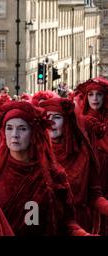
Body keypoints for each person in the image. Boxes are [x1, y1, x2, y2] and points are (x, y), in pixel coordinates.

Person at [0, 101, 89, 236]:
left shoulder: (53, 174)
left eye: (22, 128)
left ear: (34, 133)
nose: (15, 134)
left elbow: (67, 221)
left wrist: (82, 234)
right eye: (9, 128)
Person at [40, 97, 108, 233]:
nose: (51, 122)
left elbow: (94, 196)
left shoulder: (84, 154)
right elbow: (30, 203)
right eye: (47, 117)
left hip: (80, 223)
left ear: (67, 122)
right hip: (45, 224)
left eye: (57, 117)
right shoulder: (35, 154)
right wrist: (32, 225)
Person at [75, 77, 108, 234]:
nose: (95, 98)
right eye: (91, 94)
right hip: (88, 173)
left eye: (99, 95)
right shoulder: (79, 121)